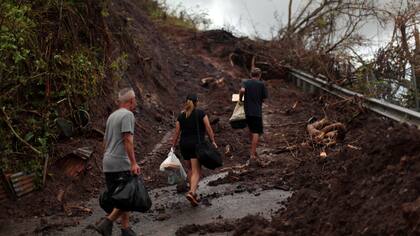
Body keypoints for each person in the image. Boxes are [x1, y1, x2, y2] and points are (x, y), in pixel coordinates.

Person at [95, 88, 140, 236]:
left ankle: (125, 229)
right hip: (120, 162)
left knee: (120, 195)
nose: (136, 102)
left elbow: (105, 141)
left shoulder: (112, 116)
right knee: (128, 195)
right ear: (131, 100)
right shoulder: (128, 115)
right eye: (135, 100)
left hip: (108, 162)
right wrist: (133, 163)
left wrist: (108, 157)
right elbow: (128, 139)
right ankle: (107, 222)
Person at [171, 94, 217, 207]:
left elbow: (176, 133)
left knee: (190, 168)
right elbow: (208, 128)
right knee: (197, 171)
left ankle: (193, 192)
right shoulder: (201, 113)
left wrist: (173, 146)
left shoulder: (181, 116)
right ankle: (192, 192)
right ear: (197, 102)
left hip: (184, 145)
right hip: (196, 145)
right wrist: (213, 141)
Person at [239, 67, 268, 162]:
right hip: (256, 112)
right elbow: (264, 98)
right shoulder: (261, 84)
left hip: (247, 111)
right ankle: (252, 154)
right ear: (260, 75)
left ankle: (253, 151)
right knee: (256, 132)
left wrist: (240, 99)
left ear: (251, 75)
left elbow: (242, 90)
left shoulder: (245, 82)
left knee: (251, 130)